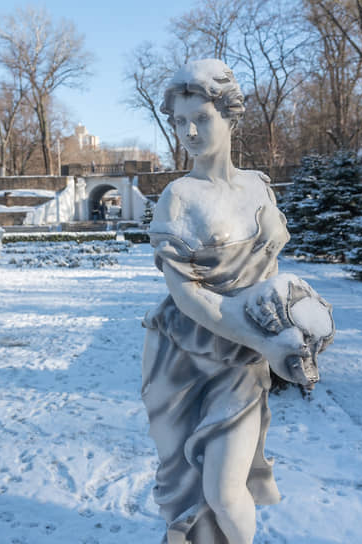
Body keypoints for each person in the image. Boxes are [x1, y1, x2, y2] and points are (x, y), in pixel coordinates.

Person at [141, 59, 333, 544]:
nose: (189, 131)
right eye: (179, 121)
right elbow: (185, 295)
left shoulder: (258, 187)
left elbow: (271, 274)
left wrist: (294, 321)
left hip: (243, 360)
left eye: (200, 118)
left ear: (229, 116)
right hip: (187, 359)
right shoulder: (178, 198)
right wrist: (262, 342)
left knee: (227, 490)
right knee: (188, 481)